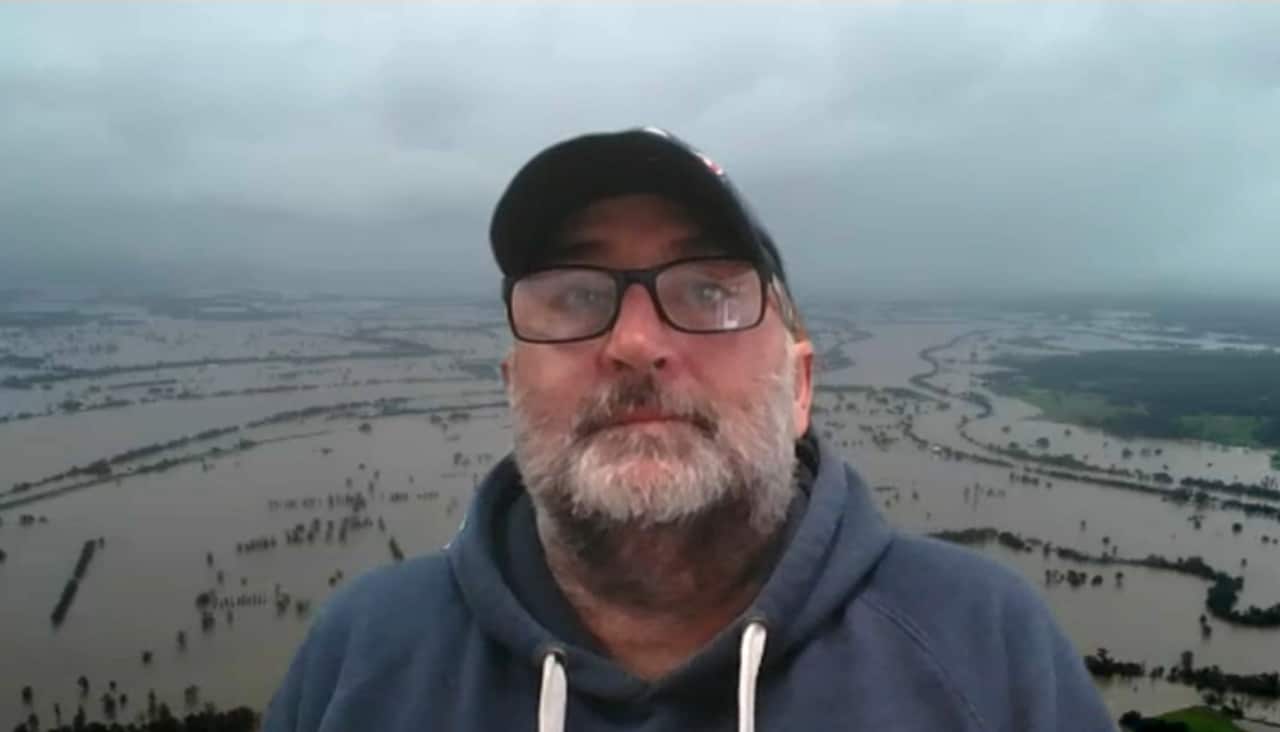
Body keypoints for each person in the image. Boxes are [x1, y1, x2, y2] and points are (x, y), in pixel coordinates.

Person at [263, 127, 1114, 731]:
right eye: (575, 294)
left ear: (802, 388)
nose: (635, 343)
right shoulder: (367, 652)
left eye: (709, 290)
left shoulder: (981, 646)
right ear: (512, 385)